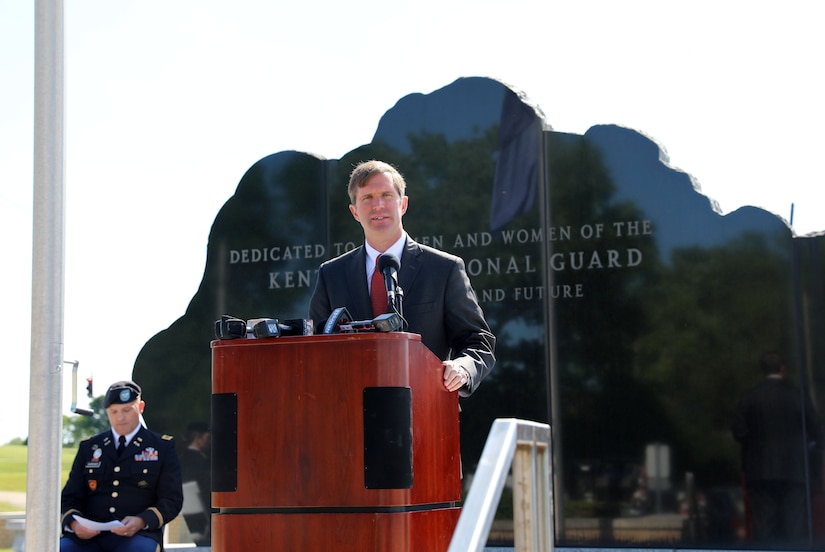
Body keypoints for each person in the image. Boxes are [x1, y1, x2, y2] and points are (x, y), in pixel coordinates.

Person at [310, 160, 495, 396]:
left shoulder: (444, 269)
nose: (378, 205)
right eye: (367, 198)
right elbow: (315, 349)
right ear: (354, 211)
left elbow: (478, 341)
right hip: (349, 415)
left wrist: (462, 368)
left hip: (427, 412)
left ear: (403, 204)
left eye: (386, 195)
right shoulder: (331, 275)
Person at [60, 380, 183, 552]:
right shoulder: (90, 447)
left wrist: (141, 521)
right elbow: (69, 497)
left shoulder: (162, 447)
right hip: (87, 539)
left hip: (138, 536)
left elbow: (172, 499)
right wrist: (74, 524)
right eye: (114, 411)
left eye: (127, 410)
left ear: (140, 407)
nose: (120, 417)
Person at [732, 351, 822, 546]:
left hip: (761, 471)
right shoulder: (798, 396)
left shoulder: (751, 397)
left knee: (764, 527)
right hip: (794, 471)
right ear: (783, 368)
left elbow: (739, 432)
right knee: (795, 527)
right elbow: (815, 430)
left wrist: (757, 447)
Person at [180, 421, 211, 545]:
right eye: (207, 437)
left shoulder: (181, 459)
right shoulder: (201, 462)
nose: (209, 441)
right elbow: (205, 492)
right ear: (198, 438)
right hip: (203, 522)